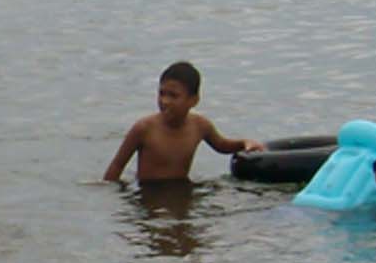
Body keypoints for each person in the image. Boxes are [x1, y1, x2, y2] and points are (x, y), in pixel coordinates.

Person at [104, 61, 263, 183]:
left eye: (173, 96)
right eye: (161, 93)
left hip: (181, 187)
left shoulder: (200, 126)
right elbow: (117, 166)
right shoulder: (144, 128)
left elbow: (222, 146)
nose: (165, 101)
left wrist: (244, 143)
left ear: (193, 100)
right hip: (149, 191)